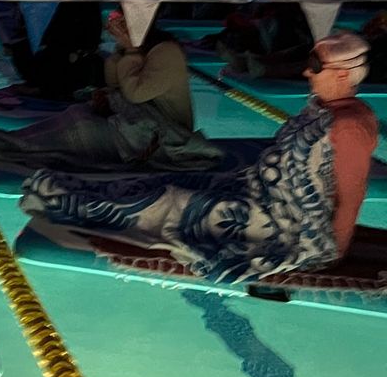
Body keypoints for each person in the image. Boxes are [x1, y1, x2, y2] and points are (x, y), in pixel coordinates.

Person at [21, 33, 378, 280]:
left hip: (283, 224)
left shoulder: (349, 126)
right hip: (253, 192)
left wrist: (334, 251)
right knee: (168, 183)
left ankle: (63, 201)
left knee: (174, 203)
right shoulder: (323, 109)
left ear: (343, 75)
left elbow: (351, 191)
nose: (306, 72)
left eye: (315, 67)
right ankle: (65, 194)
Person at [0, 12, 218, 174]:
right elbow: (114, 83)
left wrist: (131, 51)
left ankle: (10, 148)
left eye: (124, 21)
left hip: (166, 136)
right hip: (138, 121)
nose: (118, 26)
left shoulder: (166, 52)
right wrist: (122, 50)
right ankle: (10, 143)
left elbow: (136, 94)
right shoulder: (136, 48)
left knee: (85, 130)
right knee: (77, 113)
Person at [7, 0, 102, 99]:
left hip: (75, 56)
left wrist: (79, 51)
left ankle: (44, 88)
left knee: (58, 56)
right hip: (53, 49)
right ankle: (36, 82)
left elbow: (93, 39)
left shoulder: (89, 5)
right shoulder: (56, 2)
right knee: (20, 47)